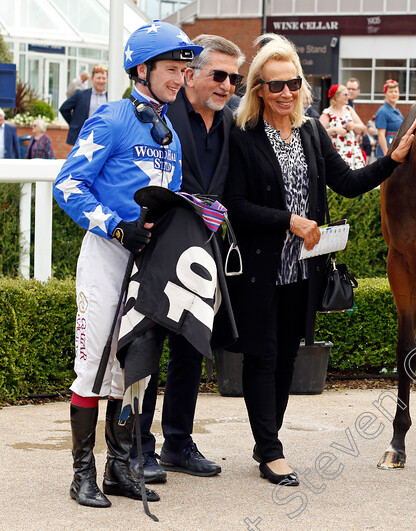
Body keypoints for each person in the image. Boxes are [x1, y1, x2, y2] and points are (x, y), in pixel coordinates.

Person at [222, 33, 416, 486]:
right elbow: (235, 205)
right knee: (263, 356)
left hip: (304, 271)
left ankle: (266, 438)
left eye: (293, 83)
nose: (286, 93)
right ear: (258, 91)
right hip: (259, 268)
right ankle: (271, 450)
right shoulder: (243, 135)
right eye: (275, 86)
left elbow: (347, 182)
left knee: (288, 357)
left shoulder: (311, 130)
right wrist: (289, 220)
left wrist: (393, 159)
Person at [52, 20, 201, 509]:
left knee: (133, 370)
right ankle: (82, 475)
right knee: (93, 369)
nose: (181, 78)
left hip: (149, 265)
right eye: (172, 69)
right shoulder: (112, 118)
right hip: (106, 257)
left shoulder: (171, 133)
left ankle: (120, 467)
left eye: (184, 69)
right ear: (142, 68)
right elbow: (68, 185)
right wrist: (116, 226)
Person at [131, 34, 245, 484]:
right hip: (157, 242)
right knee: (146, 342)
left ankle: (178, 441)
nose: (227, 86)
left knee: (191, 346)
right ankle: (138, 445)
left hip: (206, 247)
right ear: (190, 73)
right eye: (218, 75)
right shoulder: (159, 115)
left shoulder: (232, 123)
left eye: (234, 78)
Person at [319, 84, 367, 170]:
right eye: (345, 94)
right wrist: (334, 130)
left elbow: (362, 127)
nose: (348, 97)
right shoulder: (327, 113)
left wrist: (353, 126)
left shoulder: (348, 109)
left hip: (352, 151)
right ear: (336, 96)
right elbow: (319, 133)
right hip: (335, 151)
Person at [60, 66, 108, 145]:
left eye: (103, 78)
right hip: (83, 139)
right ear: (92, 79)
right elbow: (64, 109)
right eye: (98, 78)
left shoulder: (111, 97)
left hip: (104, 139)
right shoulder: (80, 94)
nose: (101, 81)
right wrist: (74, 124)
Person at [375, 79, 403, 158]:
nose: (394, 94)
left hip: (396, 147)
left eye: (396, 91)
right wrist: (386, 154)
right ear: (386, 94)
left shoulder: (397, 111)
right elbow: (381, 134)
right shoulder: (383, 111)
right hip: (388, 147)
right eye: (391, 92)